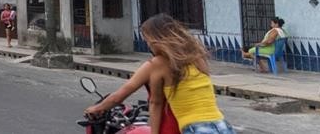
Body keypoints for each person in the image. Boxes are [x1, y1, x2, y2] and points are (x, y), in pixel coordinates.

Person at [85, 14, 233, 134]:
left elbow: (120, 95)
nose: (147, 44)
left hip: (195, 128)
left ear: (156, 39)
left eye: (147, 39)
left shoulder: (156, 64)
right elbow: (156, 102)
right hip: (221, 125)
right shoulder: (197, 57)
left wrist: (98, 108)